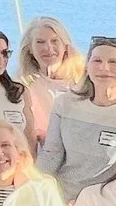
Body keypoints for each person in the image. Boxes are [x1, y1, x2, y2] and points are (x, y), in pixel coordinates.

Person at [36, 36, 116, 199]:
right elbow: (51, 154)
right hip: (63, 199)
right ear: (87, 67)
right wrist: (32, 189)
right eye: (97, 61)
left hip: (110, 201)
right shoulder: (64, 104)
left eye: (113, 62)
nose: (104, 68)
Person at [18, 15, 82, 145]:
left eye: (54, 41)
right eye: (40, 42)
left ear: (65, 46)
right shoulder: (22, 85)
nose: (48, 48)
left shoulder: (83, 81)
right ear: (30, 48)